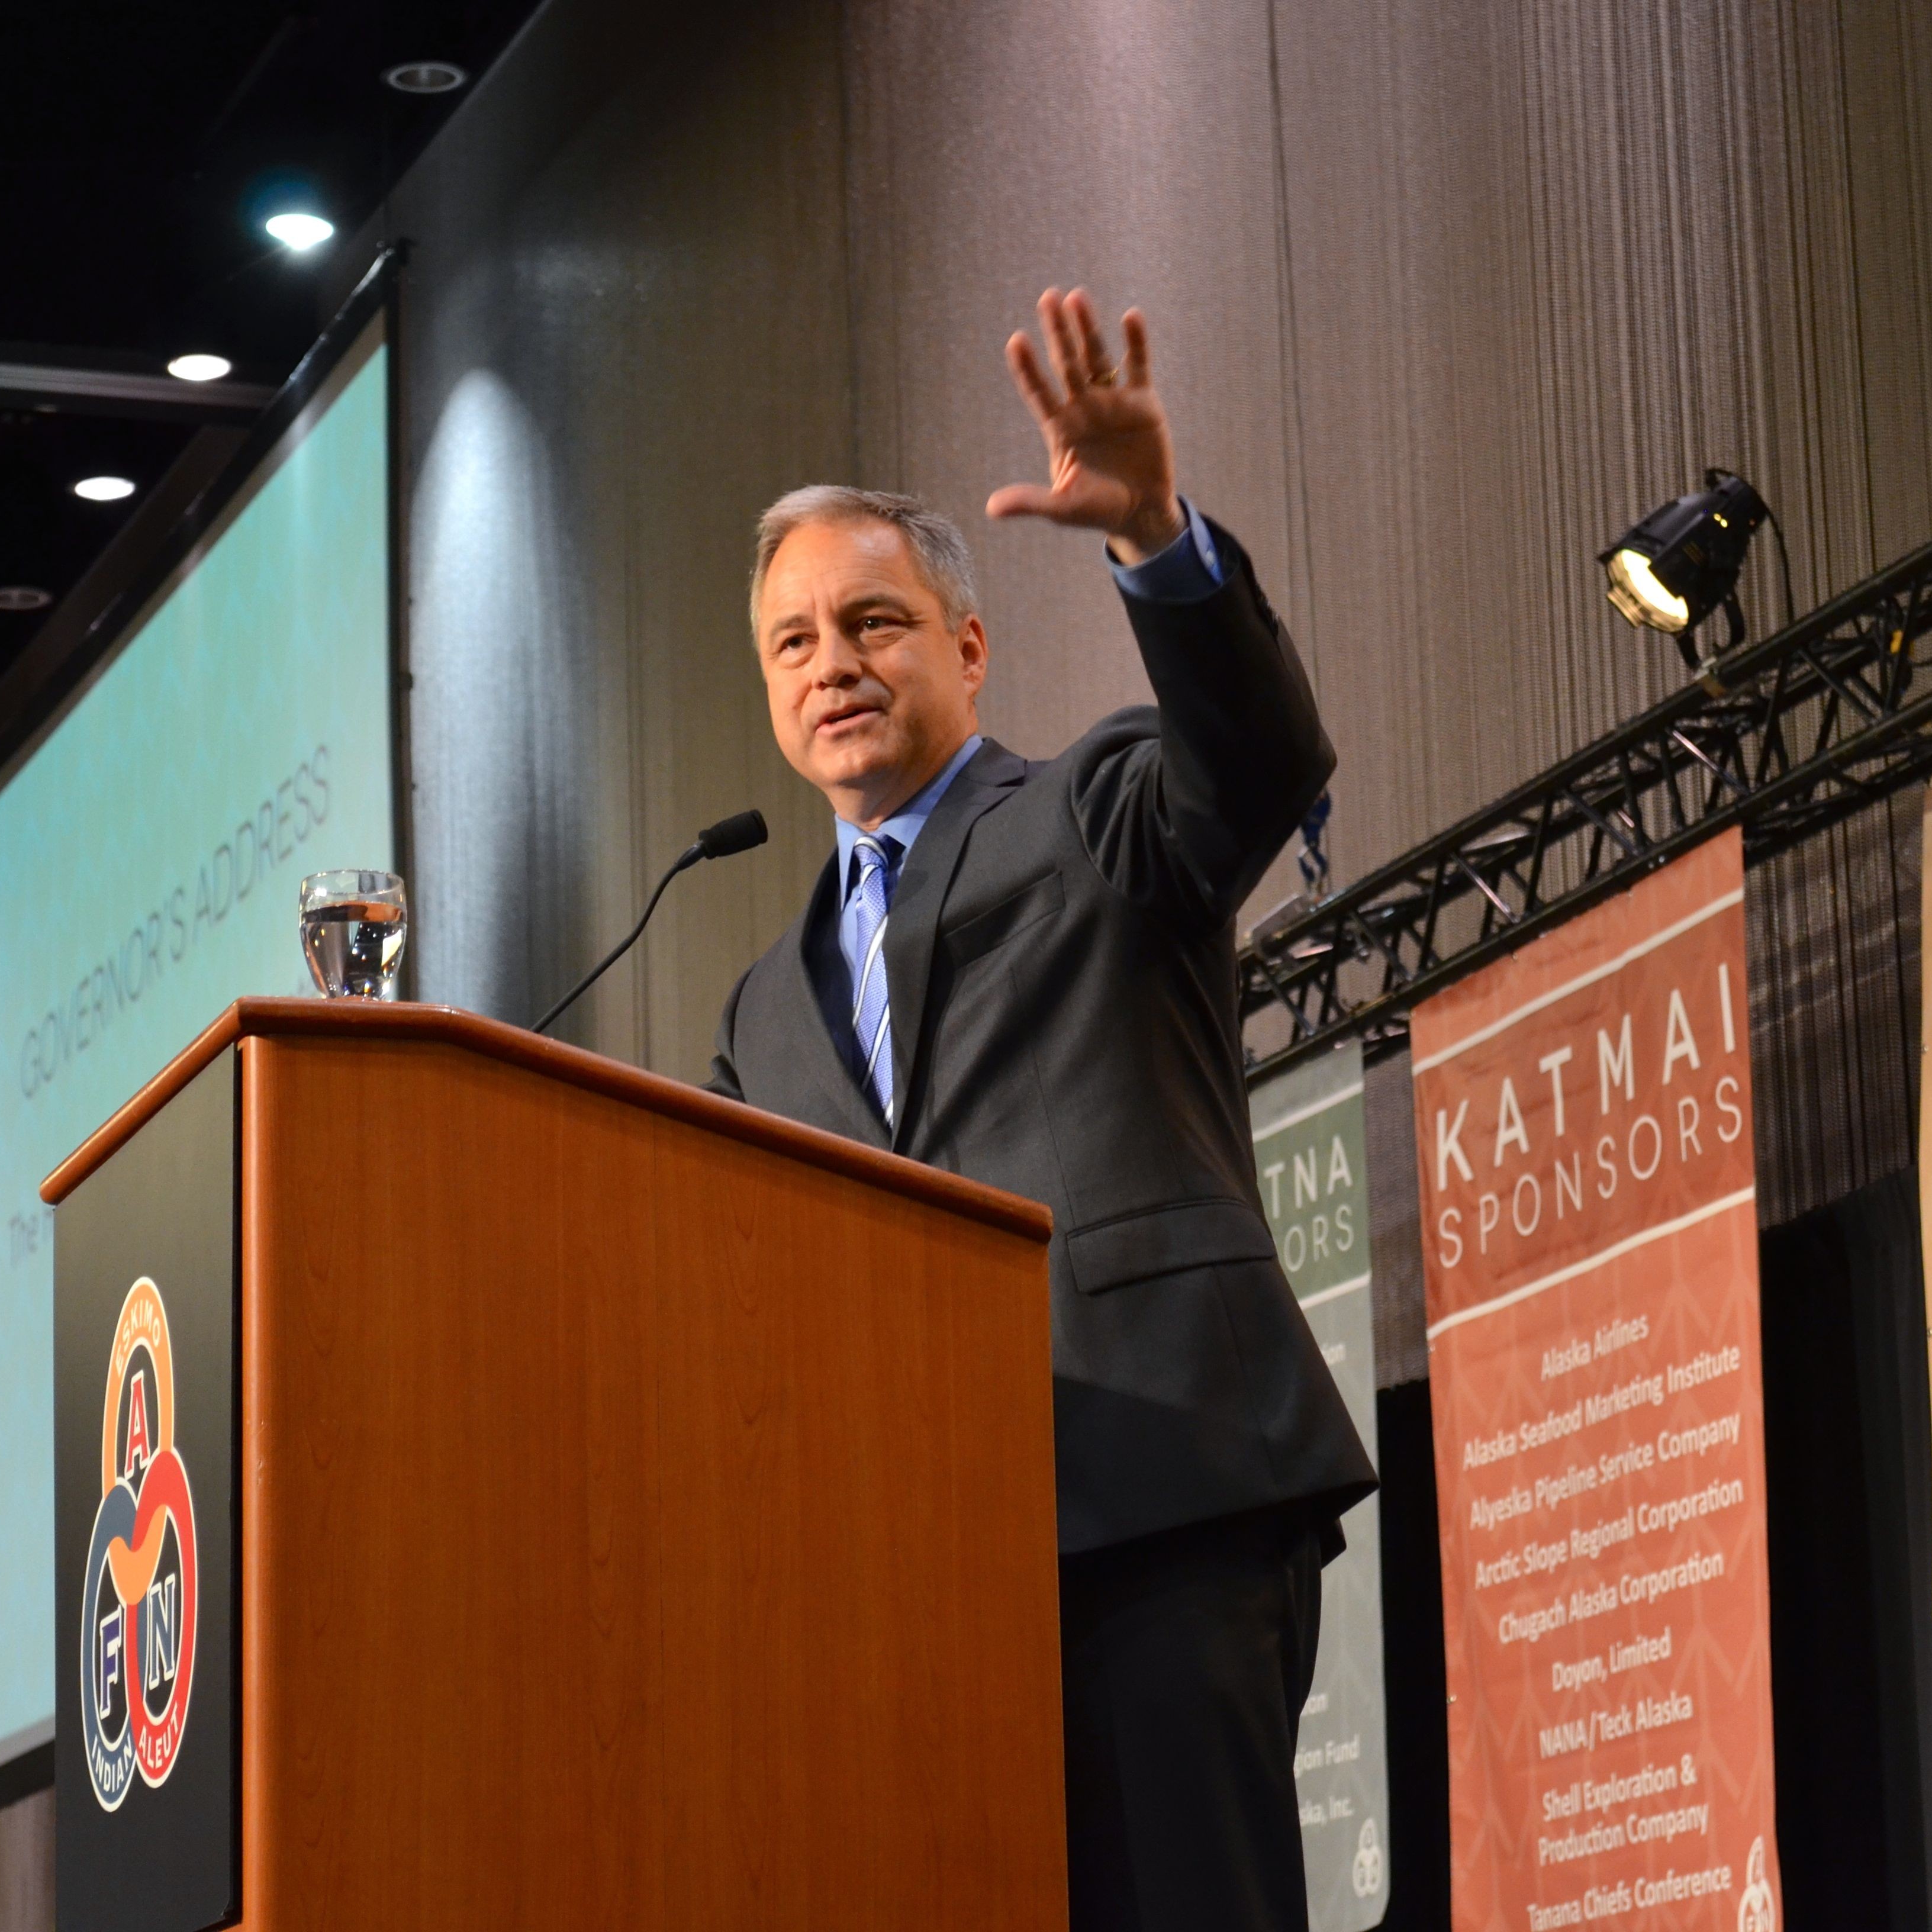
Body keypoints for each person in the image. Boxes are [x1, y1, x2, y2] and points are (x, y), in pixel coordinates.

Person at [710, 288, 1377, 1932]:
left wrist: (1155, 533)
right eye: (794, 644)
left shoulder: (1090, 807)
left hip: (1159, 1496)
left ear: (966, 644)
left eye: (872, 622)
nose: (834, 667)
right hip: (909, 1578)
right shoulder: (756, 1008)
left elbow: (1260, 762)